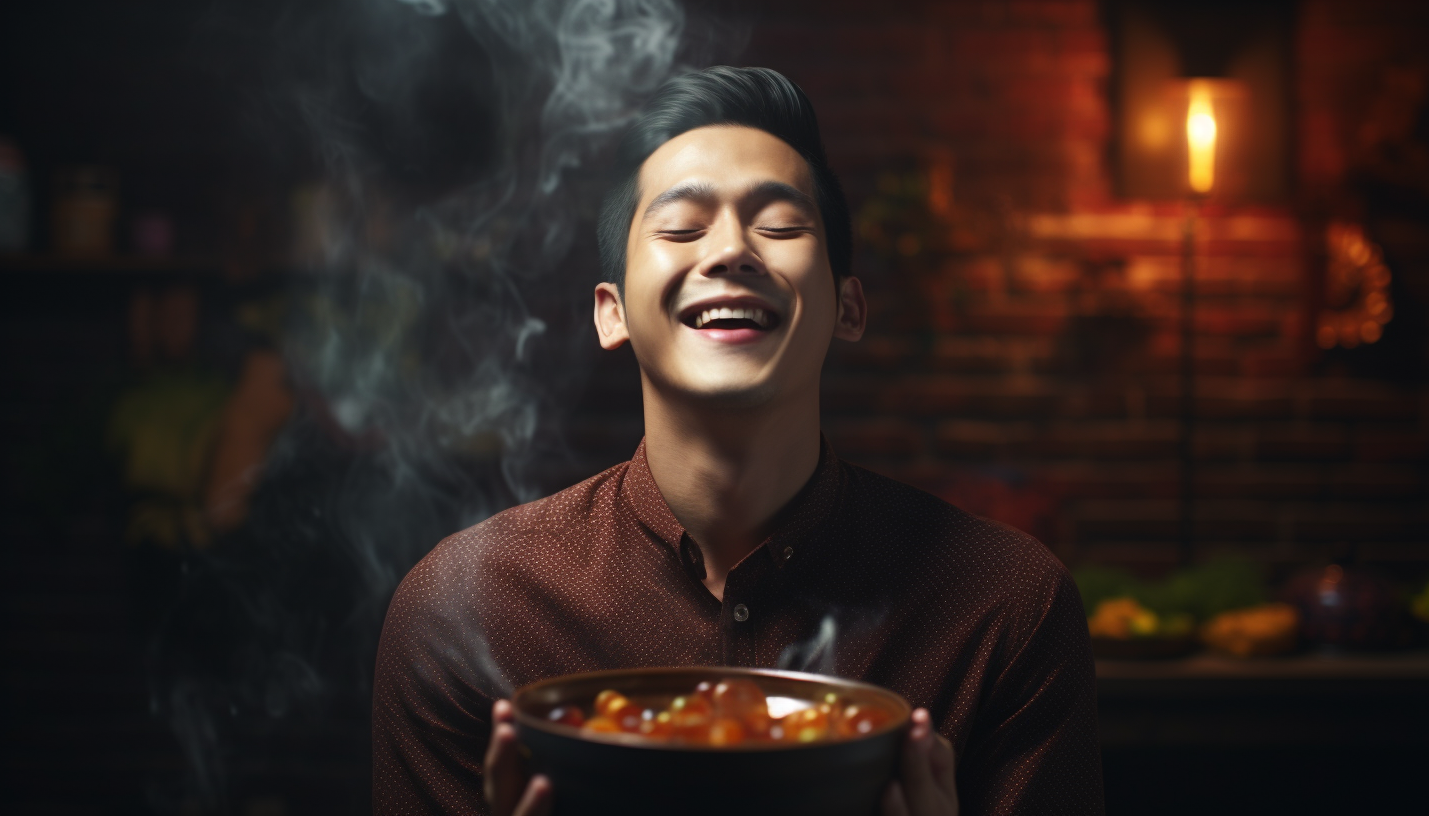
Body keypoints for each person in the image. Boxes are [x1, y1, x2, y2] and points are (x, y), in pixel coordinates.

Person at [372, 66, 1103, 816]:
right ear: (611, 312)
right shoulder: (463, 613)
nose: (730, 251)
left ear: (848, 306)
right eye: (682, 227)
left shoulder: (1005, 606)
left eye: (781, 226)